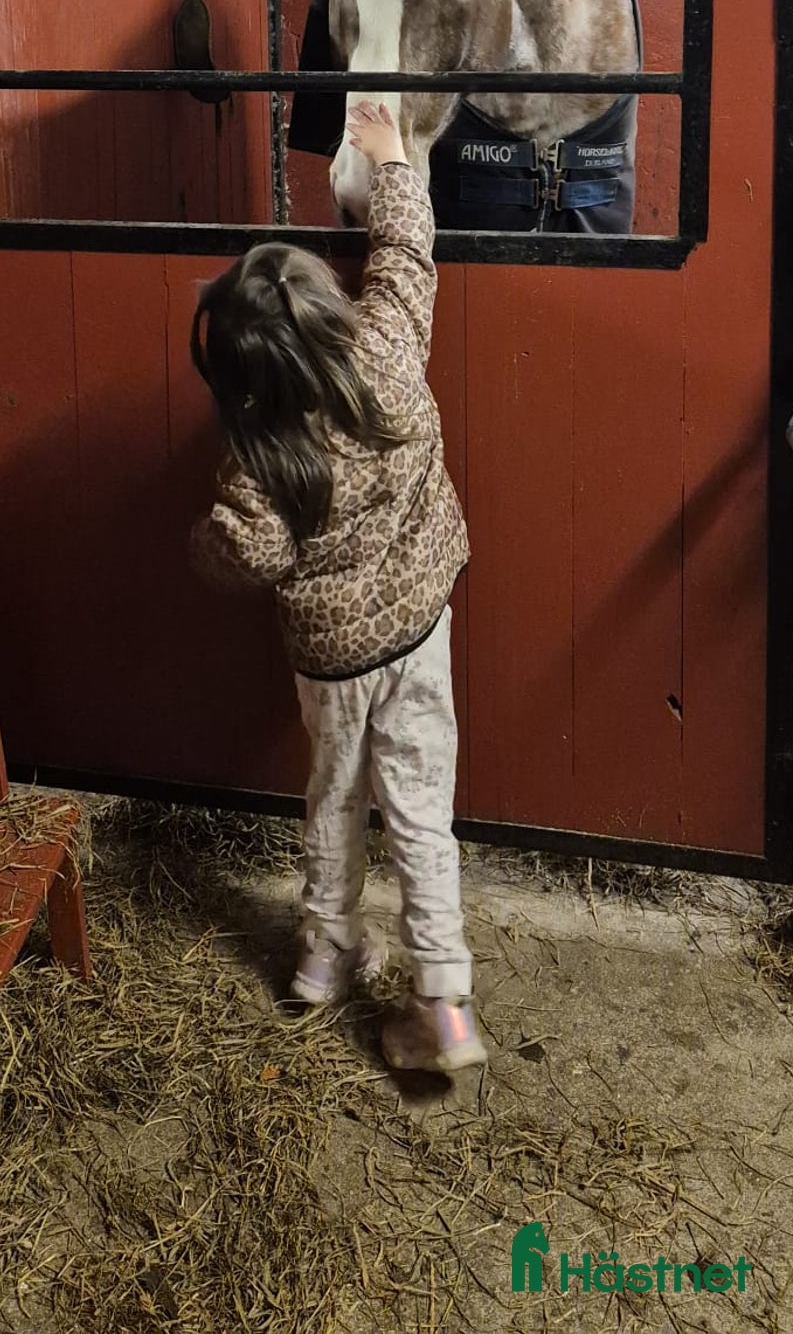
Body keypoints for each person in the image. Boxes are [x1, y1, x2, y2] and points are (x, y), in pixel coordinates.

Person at [189, 101, 486, 1077]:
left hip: (330, 665)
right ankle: (442, 1002)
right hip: (419, 634)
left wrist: (212, 541)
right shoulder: (390, 351)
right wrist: (394, 157)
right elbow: (405, 255)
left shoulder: (258, 462)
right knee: (421, 809)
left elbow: (246, 557)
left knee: (331, 797)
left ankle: (323, 954)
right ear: (329, 308)